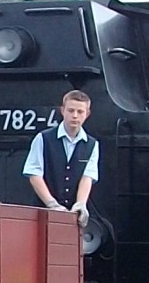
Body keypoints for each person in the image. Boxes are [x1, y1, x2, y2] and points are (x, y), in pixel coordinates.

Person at [23, 90, 98, 228]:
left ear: (87, 114)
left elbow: (87, 177)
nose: (75, 116)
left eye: (80, 112)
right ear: (62, 111)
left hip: (74, 217)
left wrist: (81, 204)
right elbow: (34, 174)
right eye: (71, 110)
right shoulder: (43, 138)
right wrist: (52, 204)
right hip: (42, 213)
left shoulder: (92, 144)